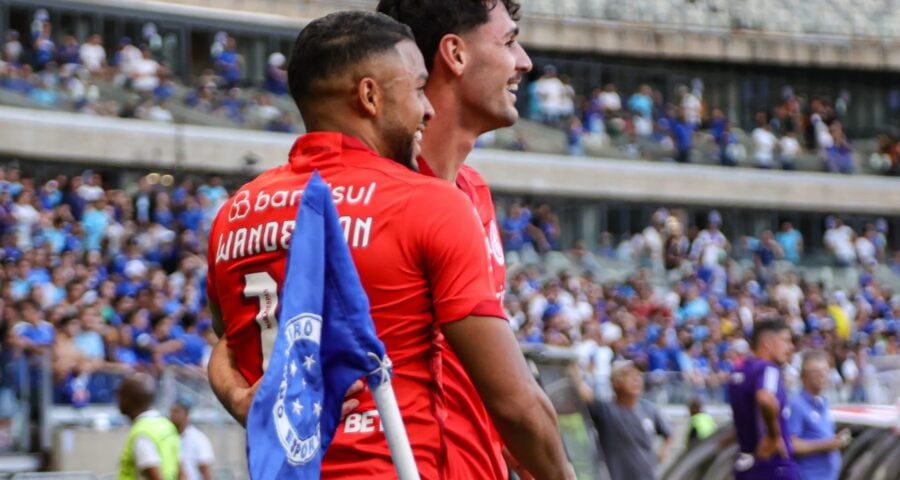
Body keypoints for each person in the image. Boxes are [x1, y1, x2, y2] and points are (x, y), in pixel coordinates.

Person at [204, 11, 570, 479]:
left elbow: (232, 340)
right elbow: (516, 402)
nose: (428, 107)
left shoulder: (238, 210)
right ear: (370, 95)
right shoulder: (426, 203)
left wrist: (239, 397)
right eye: (417, 90)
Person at [573, 362, 672, 480]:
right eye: (629, 375)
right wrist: (571, 365)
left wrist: (663, 453)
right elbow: (583, 392)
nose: (636, 379)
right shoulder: (605, 409)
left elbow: (668, 433)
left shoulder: (649, 409)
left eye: (638, 375)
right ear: (615, 382)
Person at [728, 319, 800, 480]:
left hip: (746, 464)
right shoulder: (768, 368)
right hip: (772, 464)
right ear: (767, 343)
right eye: (786, 341)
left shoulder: (739, 371)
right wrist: (774, 436)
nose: (791, 348)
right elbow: (765, 399)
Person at [787, 352, 848, 480]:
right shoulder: (797, 405)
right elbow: (791, 444)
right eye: (816, 372)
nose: (823, 376)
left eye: (825, 371)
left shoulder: (823, 402)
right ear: (804, 377)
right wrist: (825, 445)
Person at [117, 372, 181, 480]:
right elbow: (181, 471)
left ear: (128, 399)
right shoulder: (167, 425)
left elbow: (154, 475)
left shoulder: (142, 433)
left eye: (121, 395)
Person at [169, 395, 214, 480]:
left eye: (177, 411)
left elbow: (205, 470)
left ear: (186, 414)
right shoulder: (168, 436)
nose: (172, 415)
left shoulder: (198, 439)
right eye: (171, 411)